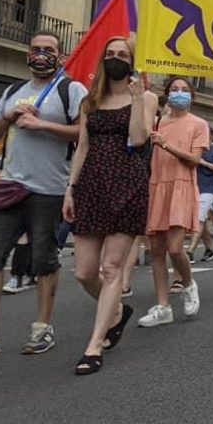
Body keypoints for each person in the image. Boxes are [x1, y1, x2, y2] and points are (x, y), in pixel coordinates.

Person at [0, 30, 86, 360]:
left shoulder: (71, 90)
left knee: (43, 261)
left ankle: (42, 327)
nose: (41, 55)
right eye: (36, 49)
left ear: (61, 56)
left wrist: (44, 127)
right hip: (10, 186)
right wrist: (10, 116)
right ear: (28, 54)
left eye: (48, 50)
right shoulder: (14, 91)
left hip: (49, 190)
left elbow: (84, 133)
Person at [64, 37, 157, 374]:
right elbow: (82, 147)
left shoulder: (146, 97)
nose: (115, 59)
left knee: (112, 269)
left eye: (123, 55)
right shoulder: (90, 101)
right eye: (110, 54)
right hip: (91, 185)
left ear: (132, 62)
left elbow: (138, 139)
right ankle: (118, 312)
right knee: (84, 271)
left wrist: (135, 101)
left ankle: (94, 345)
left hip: (127, 184)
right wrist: (70, 189)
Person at [137, 76, 208, 327]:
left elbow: (194, 159)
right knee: (155, 250)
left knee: (175, 248)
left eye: (185, 90)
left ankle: (188, 283)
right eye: (175, 89)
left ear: (192, 96)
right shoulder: (156, 123)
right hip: (156, 186)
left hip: (181, 186)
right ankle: (163, 306)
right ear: (166, 94)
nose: (179, 93)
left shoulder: (199, 124)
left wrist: (165, 145)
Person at [188, 126, 213, 264]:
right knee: (201, 219)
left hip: (209, 189)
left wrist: (204, 163)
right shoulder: (194, 148)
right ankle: (209, 249)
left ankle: (190, 251)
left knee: (199, 218)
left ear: (211, 136)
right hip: (193, 188)